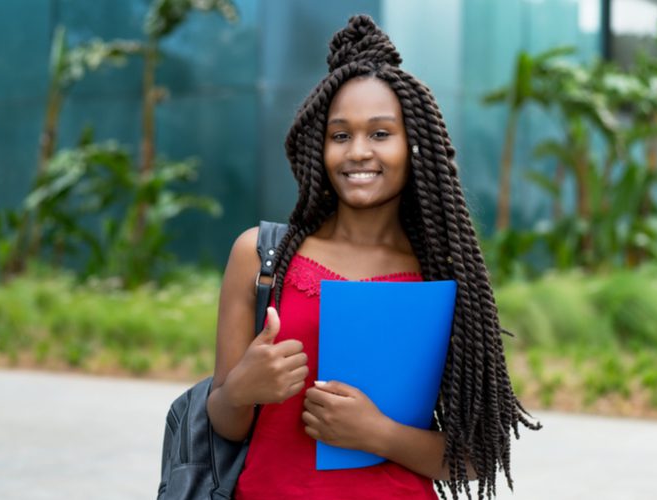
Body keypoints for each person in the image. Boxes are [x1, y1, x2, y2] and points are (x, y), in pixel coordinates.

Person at [206, 14, 540, 500]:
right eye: (340, 135)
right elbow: (224, 422)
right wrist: (241, 389)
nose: (358, 151)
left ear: (414, 146)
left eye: (380, 134)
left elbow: (475, 457)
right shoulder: (258, 256)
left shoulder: (441, 275)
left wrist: (376, 433)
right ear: (319, 149)